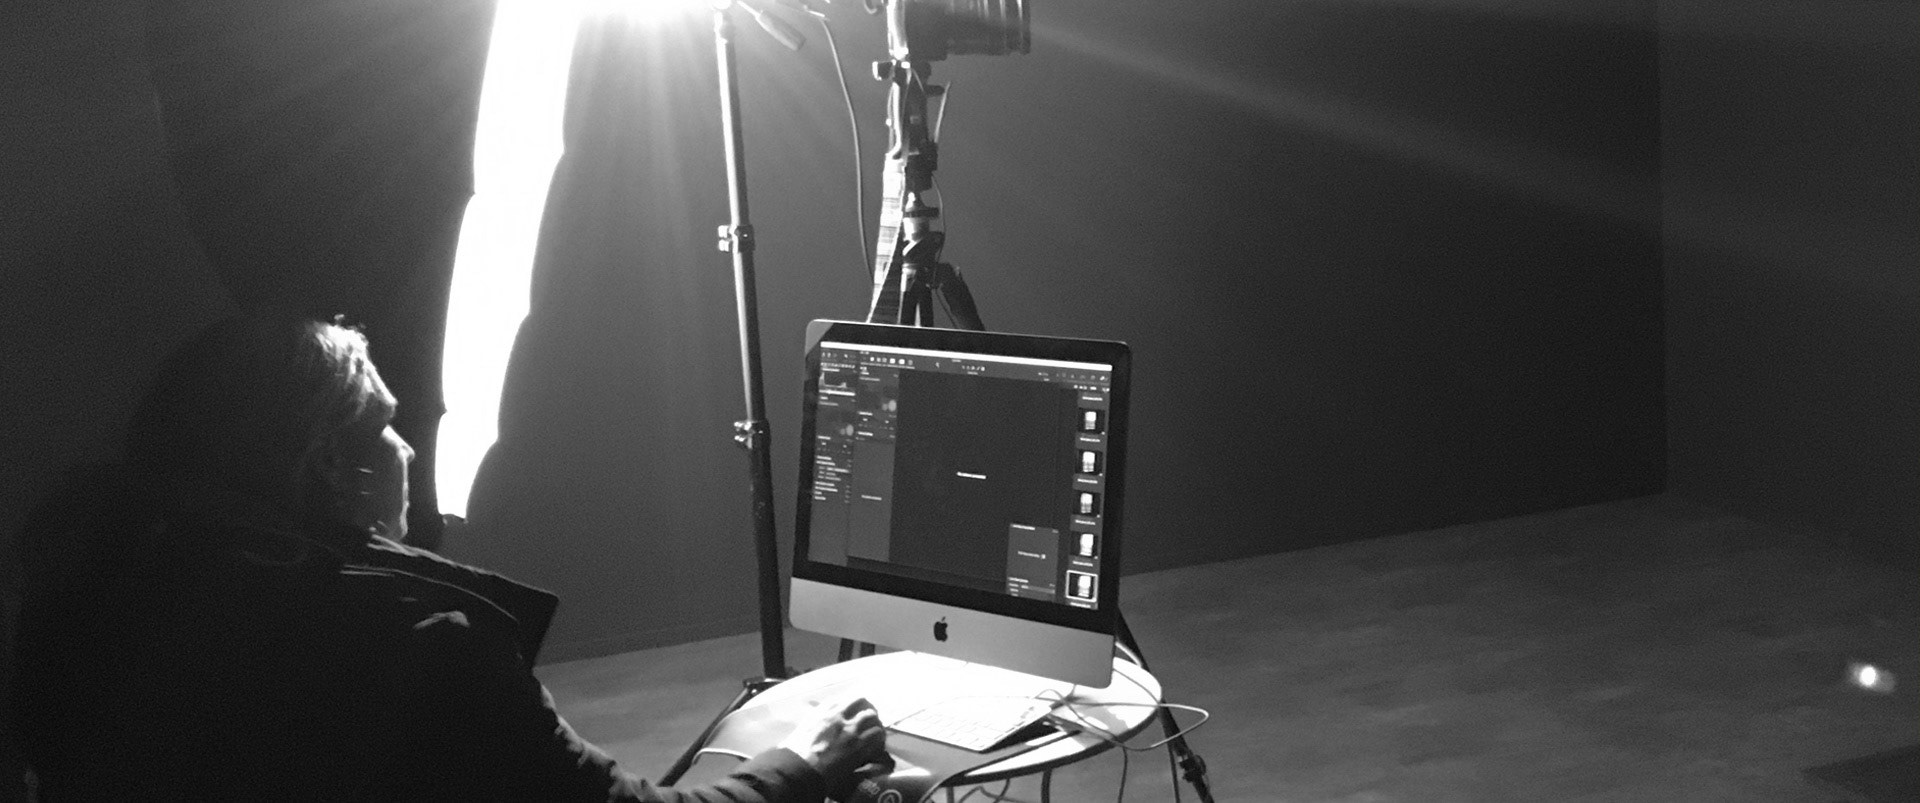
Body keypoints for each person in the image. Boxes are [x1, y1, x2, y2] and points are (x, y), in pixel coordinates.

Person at [12, 312, 887, 801]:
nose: (406, 447)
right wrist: (803, 763)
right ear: (331, 465)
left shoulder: (91, 603)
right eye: (387, 424)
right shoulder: (422, 648)